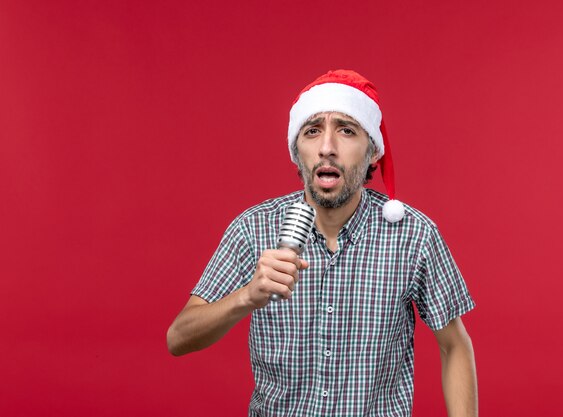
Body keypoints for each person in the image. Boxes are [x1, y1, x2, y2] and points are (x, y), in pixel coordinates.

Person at [167, 70, 478, 417]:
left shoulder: (414, 236)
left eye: (346, 130)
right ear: (296, 151)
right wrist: (245, 297)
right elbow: (178, 338)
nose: (327, 147)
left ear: (373, 151)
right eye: (312, 131)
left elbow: (454, 348)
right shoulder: (253, 229)